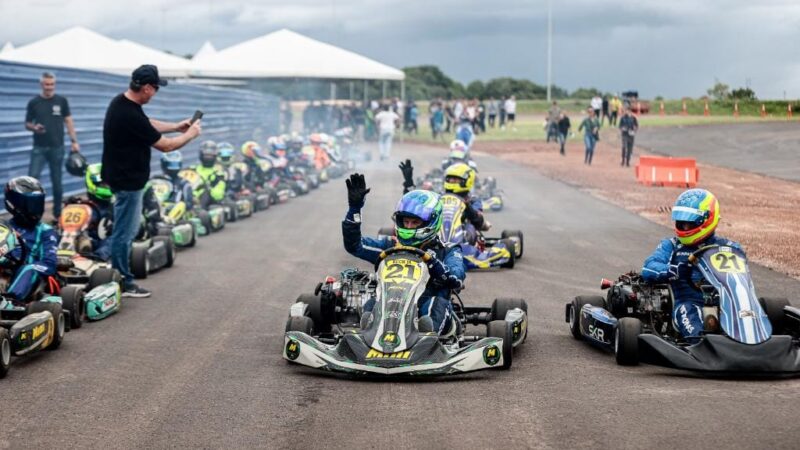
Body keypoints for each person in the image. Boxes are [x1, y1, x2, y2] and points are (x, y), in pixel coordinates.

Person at [101, 64, 201, 297]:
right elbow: (166, 145)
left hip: (123, 177)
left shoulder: (123, 104)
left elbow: (148, 123)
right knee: (125, 233)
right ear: (146, 88)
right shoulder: (128, 112)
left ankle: (120, 276)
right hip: (127, 182)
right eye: (155, 88)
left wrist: (177, 126)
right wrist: (190, 135)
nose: (155, 93)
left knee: (125, 230)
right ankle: (123, 282)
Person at [342, 173, 465, 335]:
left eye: (415, 222)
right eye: (405, 222)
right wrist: (354, 209)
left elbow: (456, 277)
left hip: (426, 307)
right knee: (372, 304)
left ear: (432, 222)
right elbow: (355, 245)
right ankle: (369, 337)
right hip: (392, 303)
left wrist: (436, 266)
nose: (408, 226)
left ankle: (427, 340)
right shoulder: (390, 247)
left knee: (435, 304)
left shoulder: (448, 250)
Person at [642, 189, 739, 340]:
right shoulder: (672, 245)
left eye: (690, 222)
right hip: (688, 302)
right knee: (688, 311)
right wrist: (674, 270)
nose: (684, 227)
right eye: (682, 222)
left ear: (707, 219)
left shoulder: (729, 247)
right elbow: (649, 267)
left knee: (750, 311)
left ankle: (753, 340)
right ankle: (699, 343)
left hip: (726, 305)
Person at [24, 72, 79, 219]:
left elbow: (68, 121)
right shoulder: (34, 102)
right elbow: (27, 123)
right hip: (39, 148)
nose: (49, 87)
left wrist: (74, 141)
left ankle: (57, 214)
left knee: (57, 182)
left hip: (57, 148)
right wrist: (34, 128)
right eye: (46, 84)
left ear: (54, 84)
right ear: (41, 84)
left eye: (52, 84)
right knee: (32, 180)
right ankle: (30, 213)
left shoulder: (61, 101)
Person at [1, 176, 58, 303]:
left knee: (29, 269)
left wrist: (29, 265)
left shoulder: (45, 231)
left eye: (37, 204)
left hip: (28, 273)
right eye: (31, 205)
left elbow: (49, 264)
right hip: (5, 268)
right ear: (14, 204)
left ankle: (11, 302)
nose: (35, 210)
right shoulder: (4, 228)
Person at [61, 163, 114, 260]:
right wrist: (69, 206)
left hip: (99, 242)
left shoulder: (115, 205)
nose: (106, 187)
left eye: (107, 184)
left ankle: (98, 257)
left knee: (116, 236)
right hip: (77, 236)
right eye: (102, 184)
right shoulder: (83, 205)